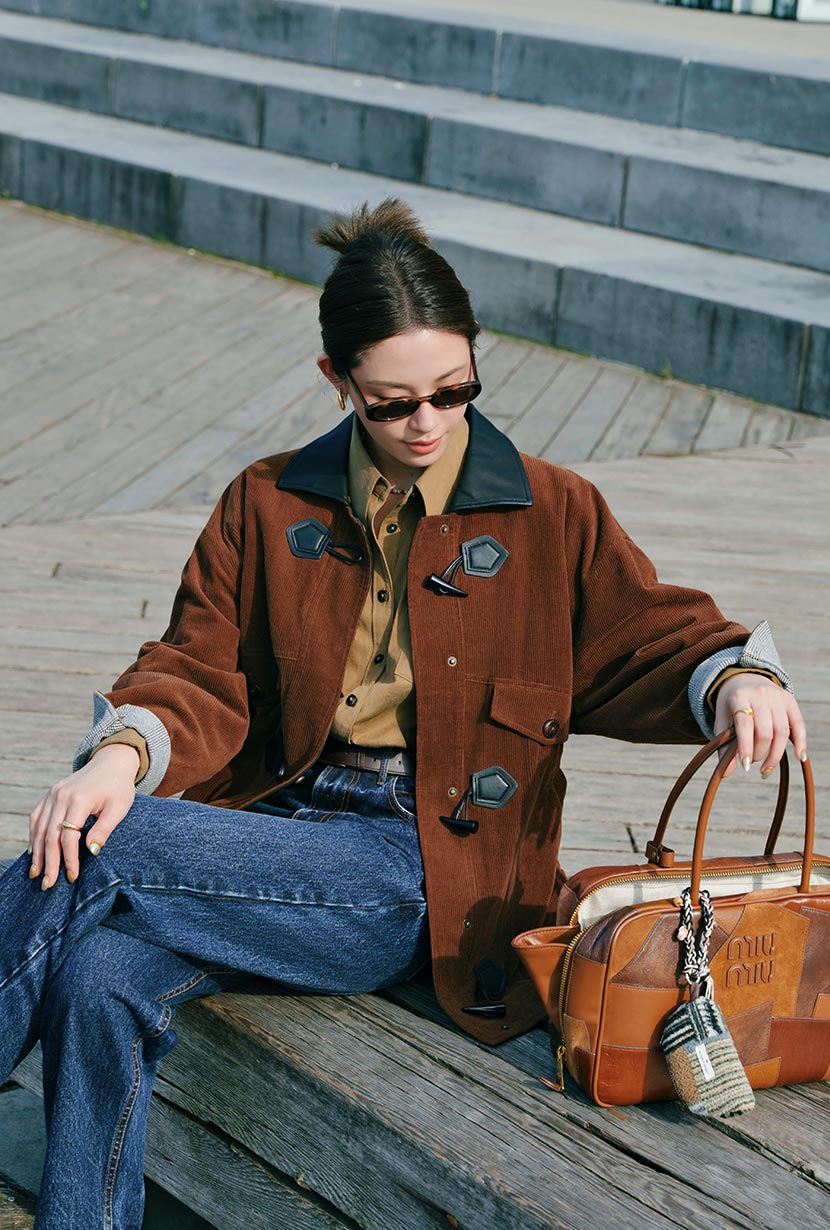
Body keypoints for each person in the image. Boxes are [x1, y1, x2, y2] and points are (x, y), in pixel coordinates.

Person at [0, 198, 806, 1229]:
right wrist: (121, 752)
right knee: (99, 970)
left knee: (103, 845)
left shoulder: (552, 511)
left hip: (419, 870)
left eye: (454, 390)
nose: (428, 423)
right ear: (335, 381)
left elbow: (652, 633)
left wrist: (737, 678)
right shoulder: (267, 503)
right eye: (392, 404)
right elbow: (198, 664)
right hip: (271, 835)